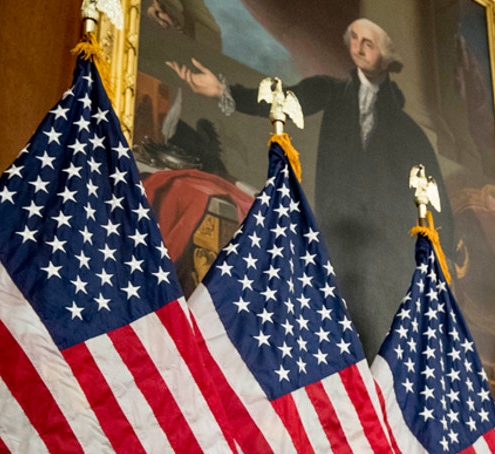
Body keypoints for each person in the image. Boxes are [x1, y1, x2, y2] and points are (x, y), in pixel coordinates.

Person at [167, 18, 448, 354]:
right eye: (354, 38)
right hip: (336, 238)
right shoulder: (330, 91)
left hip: (385, 254)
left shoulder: (407, 130)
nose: (357, 47)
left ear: (387, 56)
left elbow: (434, 202)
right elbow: (281, 99)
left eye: (368, 43)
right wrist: (223, 90)